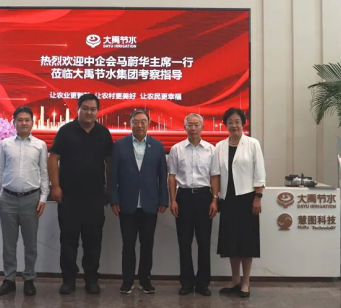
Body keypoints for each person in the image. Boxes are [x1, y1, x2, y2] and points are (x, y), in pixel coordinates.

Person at [48, 94, 113, 295]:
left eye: (93, 109)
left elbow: (110, 162)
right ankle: (68, 280)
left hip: (95, 197)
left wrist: (109, 186)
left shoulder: (103, 133)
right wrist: (55, 186)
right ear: (78, 109)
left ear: (97, 112)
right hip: (69, 196)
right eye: (85, 108)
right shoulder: (66, 131)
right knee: (69, 240)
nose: (89, 112)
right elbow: (53, 158)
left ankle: (91, 279)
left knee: (93, 241)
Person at [0, 106, 49, 297]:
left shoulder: (40, 145)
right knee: (9, 244)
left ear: (32, 122)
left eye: (27, 120)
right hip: (7, 199)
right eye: (20, 120)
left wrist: (43, 198)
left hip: (31, 200)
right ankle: (9, 279)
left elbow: (44, 173)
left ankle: (29, 279)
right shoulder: (5, 144)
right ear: (14, 122)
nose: (24, 123)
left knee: (30, 244)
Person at [110, 109, 169, 295]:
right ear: (130, 124)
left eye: (143, 121)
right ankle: (127, 281)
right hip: (126, 203)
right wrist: (114, 199)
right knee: (128, 245)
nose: (139, 125)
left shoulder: (157, 146)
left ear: (149, 123)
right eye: (136, 121)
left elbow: (162, 175)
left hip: (150, 204)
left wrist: (163, 199)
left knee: (147, 244)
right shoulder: (119, 145)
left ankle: (145, 280)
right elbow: (113, 175)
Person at [215, 108, 266, 298]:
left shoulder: (252, 143)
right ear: (225, 124)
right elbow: (216, 174)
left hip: (247, 199)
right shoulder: (220, 146)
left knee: (246, 241)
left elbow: (259, 172)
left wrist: (258, 197)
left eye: (237, 121)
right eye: (230, 122)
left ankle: (246, 282)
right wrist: (215, 197)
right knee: (231, 241)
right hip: (227, 200)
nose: (234, 125)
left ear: (243, 123)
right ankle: (235, 279)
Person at [168, 113, 220, 296]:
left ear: (202, 127)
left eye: (196, 125)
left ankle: (203, 283)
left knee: (204, 242)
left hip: (204, 197)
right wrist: (173, 200)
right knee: (184, 242)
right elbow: (172, 177)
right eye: (190, 125)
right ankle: (187, 282)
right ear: (184, 127)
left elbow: (214, 176)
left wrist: (214, 199)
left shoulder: (211, 149)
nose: (193, 128)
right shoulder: (176, 149)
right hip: (183, 197)